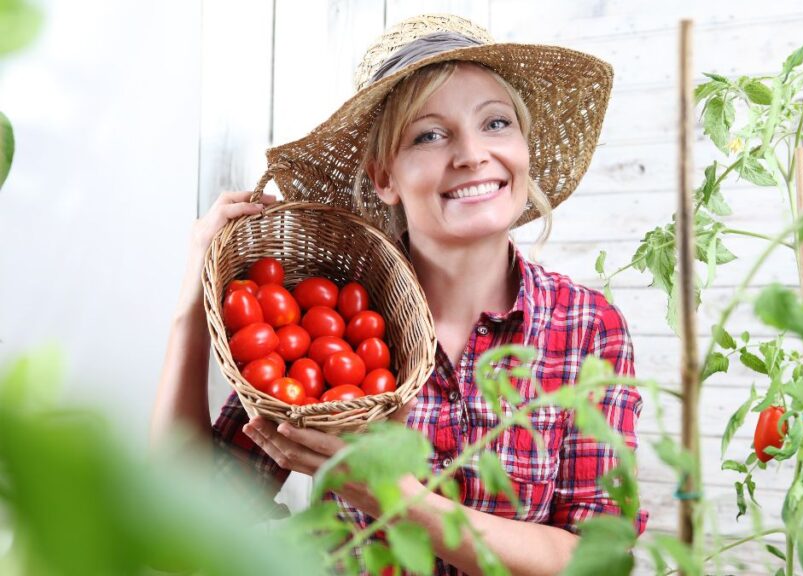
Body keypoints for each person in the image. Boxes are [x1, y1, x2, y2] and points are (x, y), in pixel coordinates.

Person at [152, 14, 648, 576]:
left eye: (496, 123)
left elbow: (598, 556)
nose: (471, 154)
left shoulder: (586, 326)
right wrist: (193, 305)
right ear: (384, 176)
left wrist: (392, 496)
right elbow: (185, 519)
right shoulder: (327, 323)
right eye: (429, 134)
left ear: (523, 146)